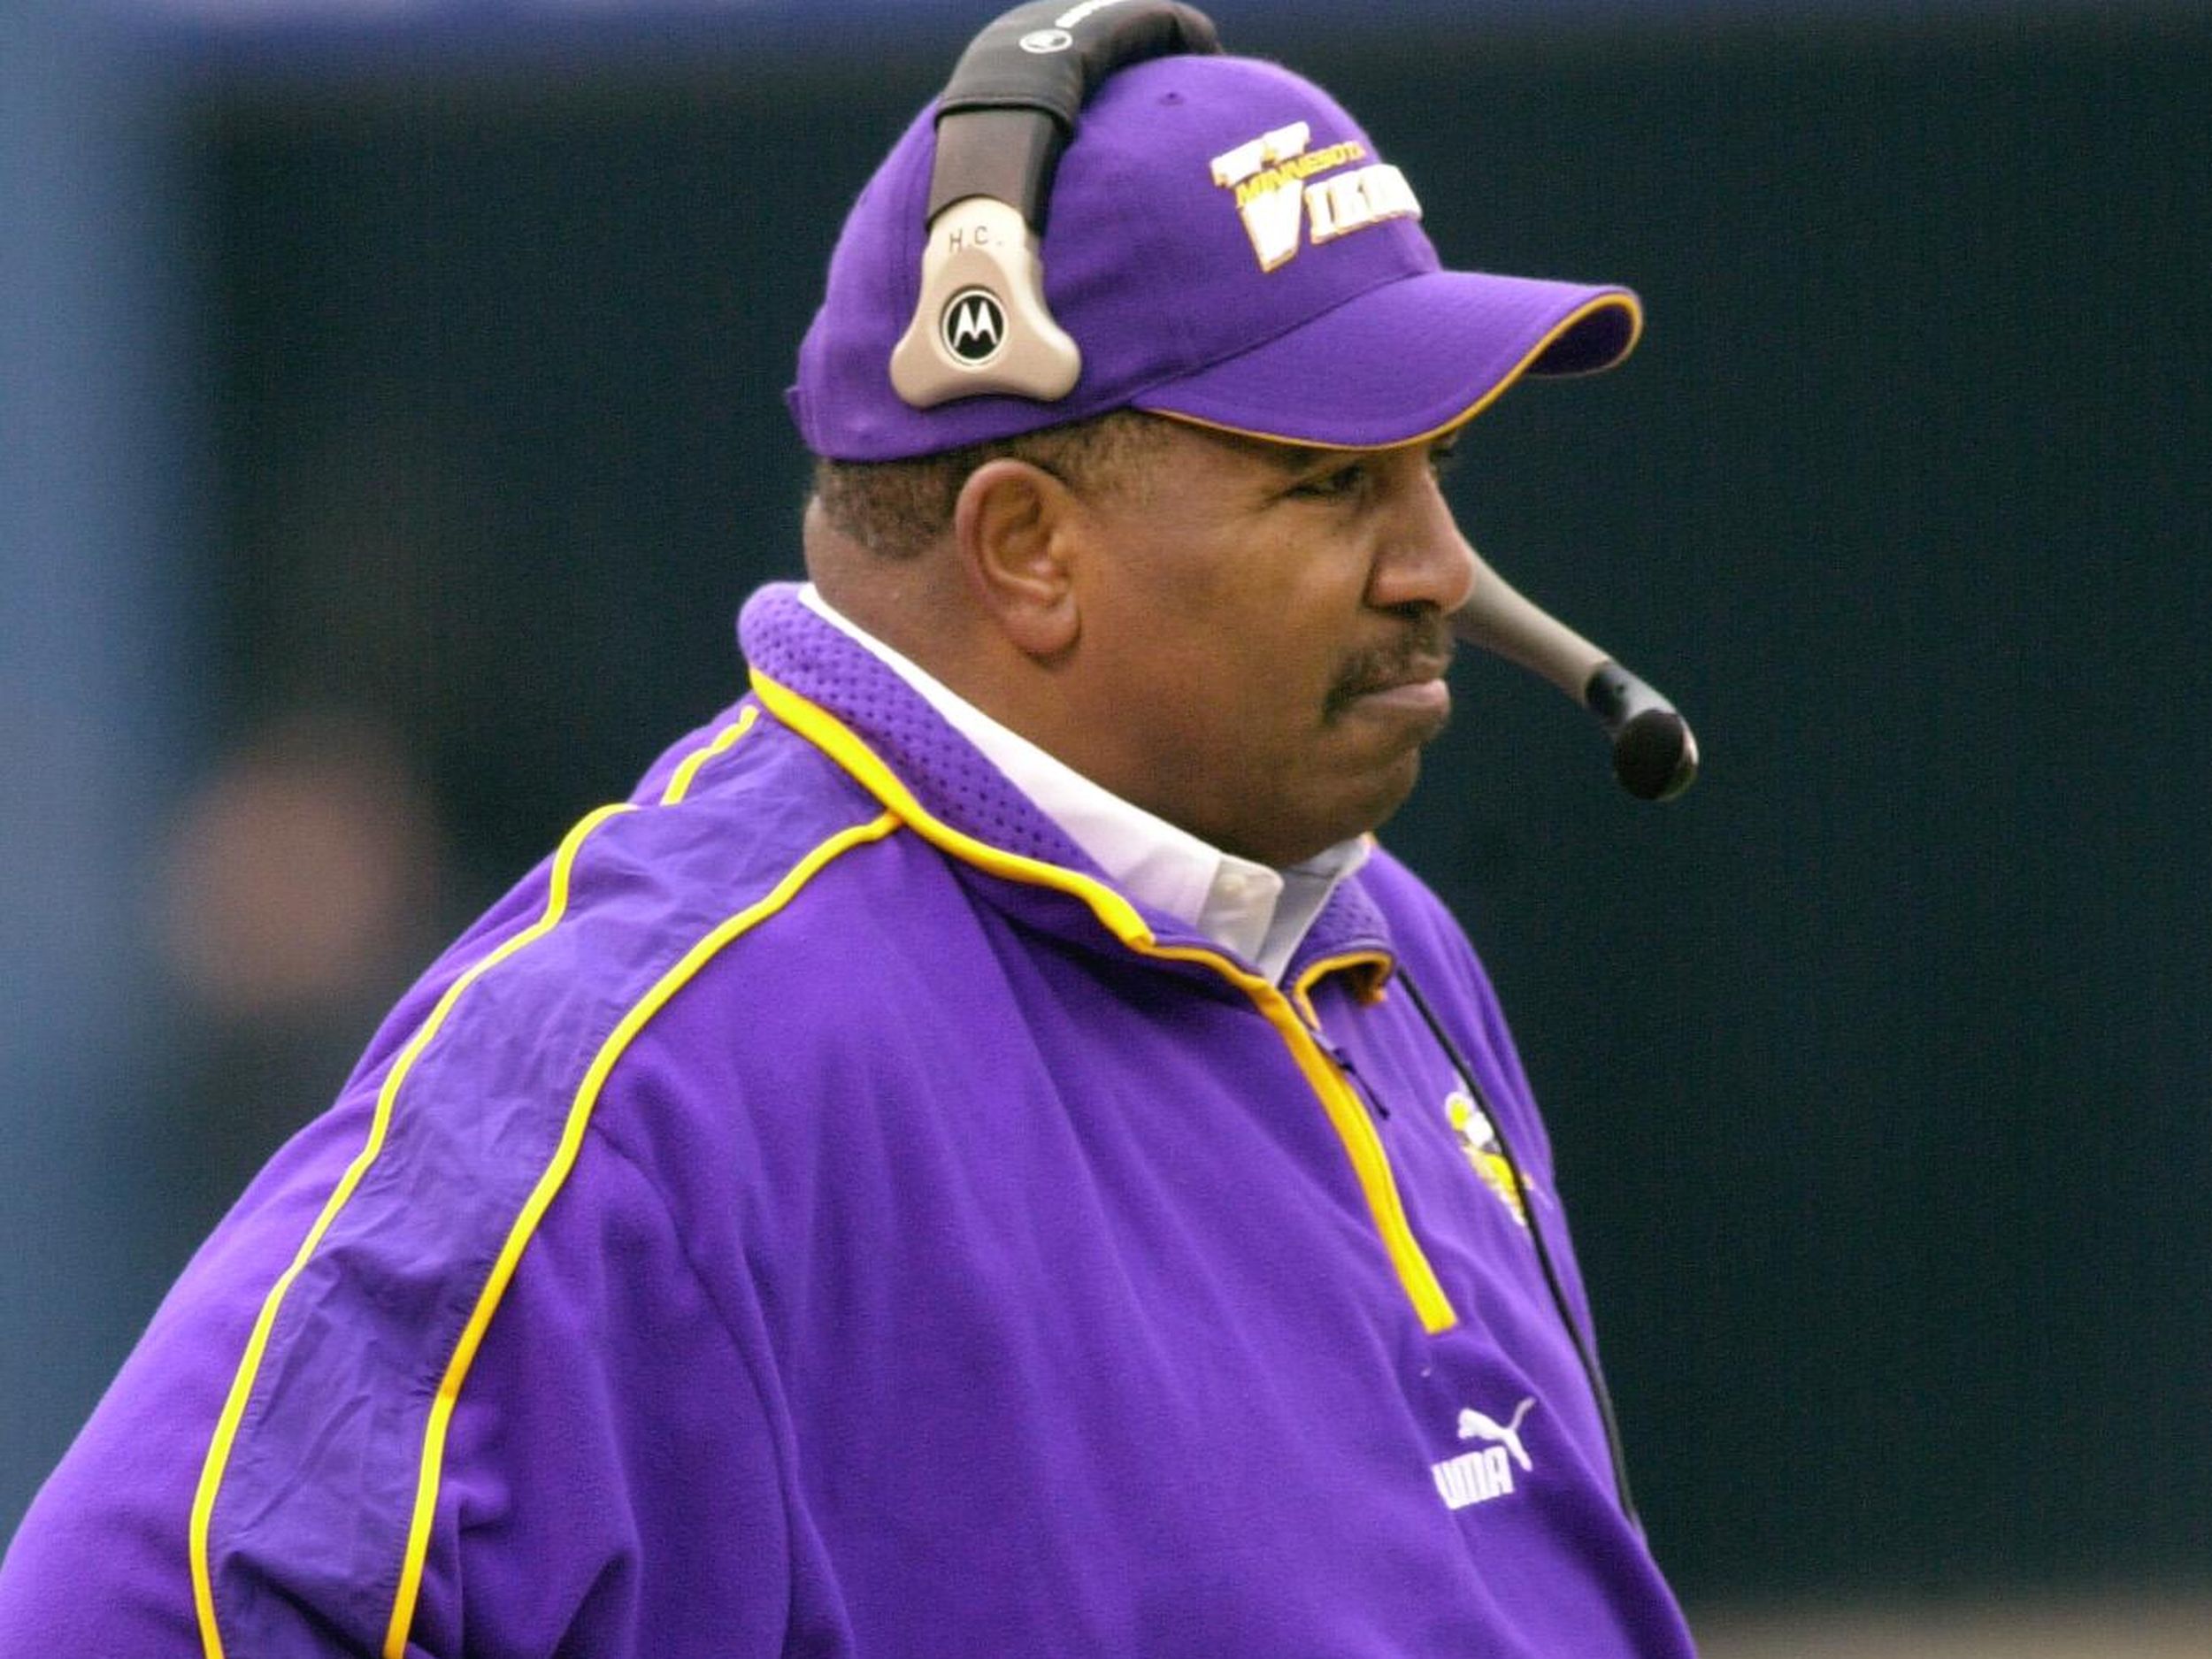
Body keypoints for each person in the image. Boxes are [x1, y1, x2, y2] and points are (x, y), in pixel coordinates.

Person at [0, 23, 1699, 1659]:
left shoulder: (1380, 944)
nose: (1438, 567)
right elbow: (131, 1616)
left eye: (1439, 464)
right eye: (1334, 484)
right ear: (1027, 548)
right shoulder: (650, 1070)